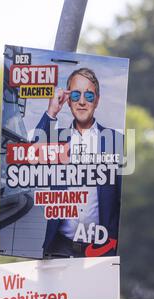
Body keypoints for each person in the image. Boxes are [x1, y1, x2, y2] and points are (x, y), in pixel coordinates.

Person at [33, 68, 123, 258]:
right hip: (59, 247)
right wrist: (51, 112)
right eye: (75, 94)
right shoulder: (57, 140)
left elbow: (122, 198)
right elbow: (31, 159)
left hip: (102, 250)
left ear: (97, 100)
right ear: (68, 100)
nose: (82, 101)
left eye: (89, 95)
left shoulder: (116, 141)